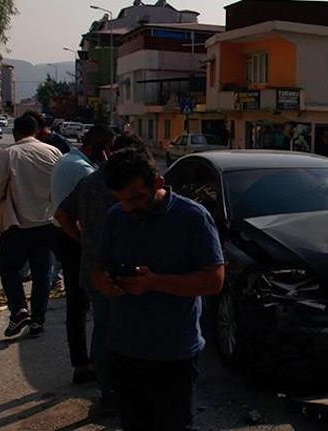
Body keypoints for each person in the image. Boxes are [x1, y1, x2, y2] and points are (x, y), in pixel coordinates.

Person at [92, 148, 224, 430]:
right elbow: (98, 268)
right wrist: (105, 281)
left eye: (136, 197)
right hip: (123, 350)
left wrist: (154, 282)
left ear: (158, 183)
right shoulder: (117, 216)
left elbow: (214, 281)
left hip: (173, 354)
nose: (129, 207)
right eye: (122, 200)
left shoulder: (193, 218)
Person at [55, 132, 146, 413]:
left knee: (105, 329)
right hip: (127, 274)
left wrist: (83, 241)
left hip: (95, 270)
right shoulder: (131, 183)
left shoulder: (90, 180)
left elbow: (61, 215)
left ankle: (108, 392)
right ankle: (128, 392)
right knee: (130, 334)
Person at [0, 115, 62, 338]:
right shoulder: (53, 153)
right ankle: (37, 320)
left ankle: (19, 309)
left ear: (16, 132)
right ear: (37, 131)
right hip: (47, 224)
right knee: (42, 273)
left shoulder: (8, 154)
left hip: (16, 225)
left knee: (9, 268)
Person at [51, 125, 113, 384]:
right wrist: (83, 240)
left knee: (77, 305)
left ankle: (82, 362)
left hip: (64, 235)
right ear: (101, 149)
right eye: (108, 150)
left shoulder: (68, 158)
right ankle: (90, 365)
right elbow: (77, 213)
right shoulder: (85, 172)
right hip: (73, 238)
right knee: (89, 305)